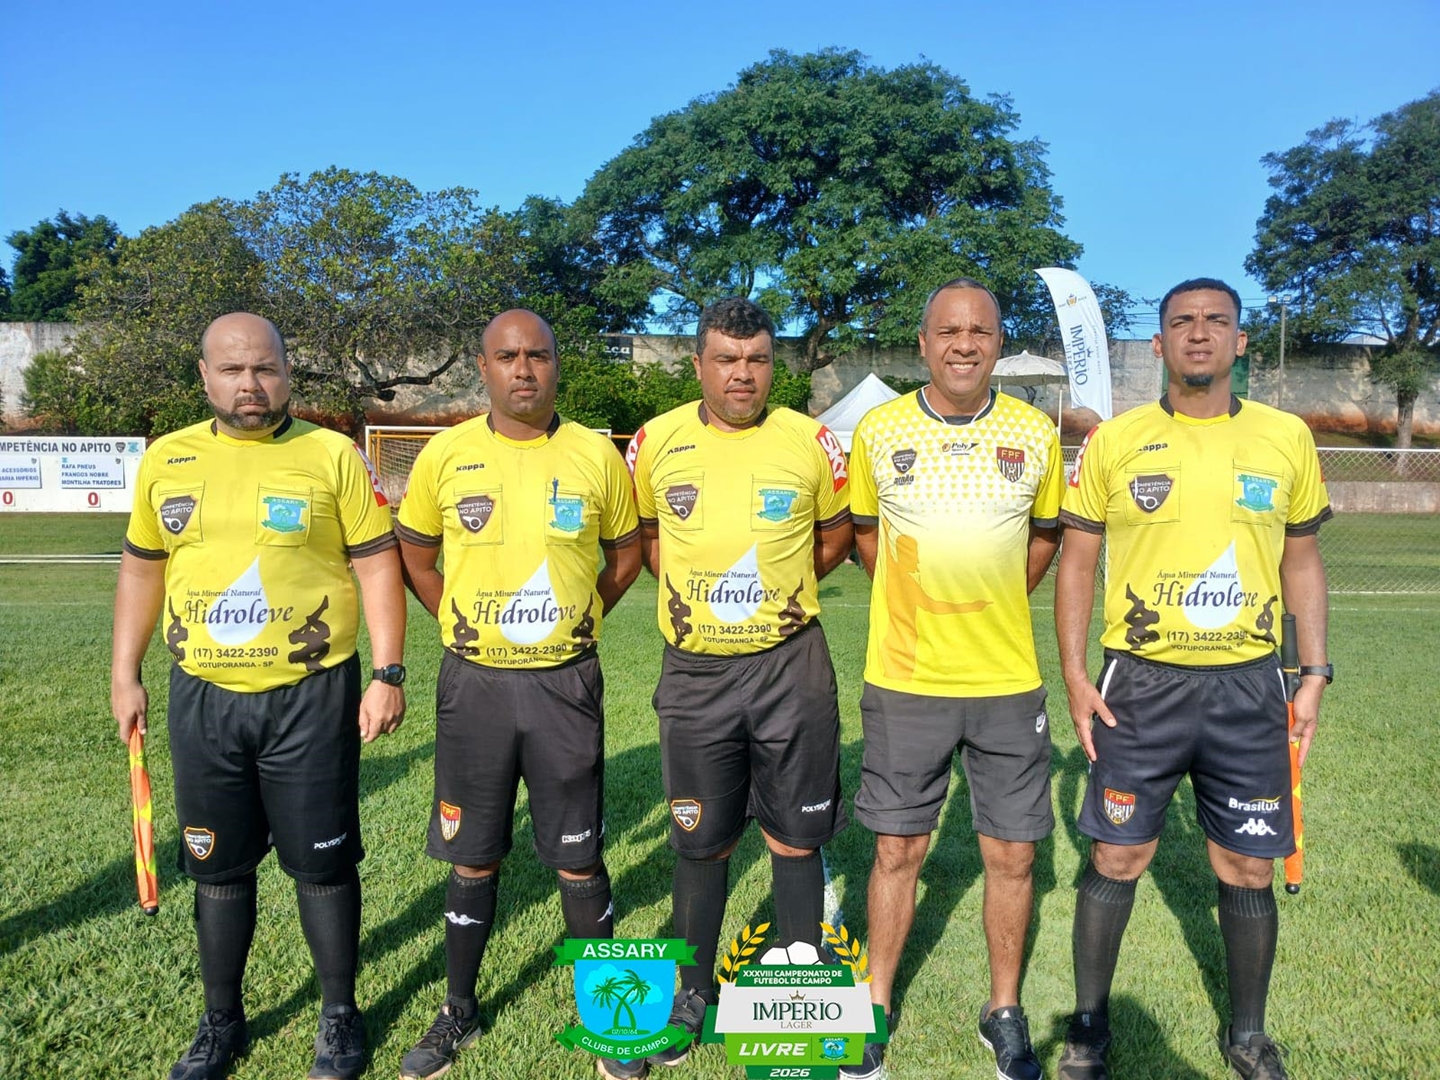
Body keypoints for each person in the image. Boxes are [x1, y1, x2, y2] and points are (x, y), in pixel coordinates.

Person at [112, 312, 407, 1080]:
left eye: (266, 368)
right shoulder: (167, 459)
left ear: (287, 373)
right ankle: (221, 1022)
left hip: (311, 694)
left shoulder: (332, 455)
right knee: (217, 867)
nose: (252, 384)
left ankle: (339, 1015)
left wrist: (387, 674)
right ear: (205, 376)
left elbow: (378, 564)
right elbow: (142, 568)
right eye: (234, 369)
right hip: (203, 697)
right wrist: (124, 672)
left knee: (322, 865)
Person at [1055, 279, 1331, 1080]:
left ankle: (1248, 1035)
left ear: (1241, 341)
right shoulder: (1116, 441)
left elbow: (1302, 562)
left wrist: (1313, 672)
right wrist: (1074, 674)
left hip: (1249, 686)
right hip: (1140, 686)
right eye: (1182, 322)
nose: (1199, 334)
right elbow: (1077, 562)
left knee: (1246, 866)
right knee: (1117, 857)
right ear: (1159, 344)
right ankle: (1088, 1029)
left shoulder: (1286, 438)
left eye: (1216, 322)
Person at [394, 309, 643, 1080]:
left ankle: (608, 1020)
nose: (524, 369)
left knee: (579, 858)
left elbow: (626, 554)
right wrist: (457, 621)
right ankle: (458, 1011)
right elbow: (415, 554)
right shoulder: (445, 455)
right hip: (475, 686)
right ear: (484, 366)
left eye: (538, 355)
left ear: (557, 364)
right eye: (507, 356)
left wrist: (582, 614)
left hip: (565, 682)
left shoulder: (596, 456)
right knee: (472, 858)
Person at [625, 297, 853, 1068]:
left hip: (791, 667)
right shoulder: (655, 441)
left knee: (795, 835)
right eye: (726, 359)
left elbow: (834, 537)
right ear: (698, 365)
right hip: (695, 674)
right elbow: (650, 539)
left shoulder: (812, 441)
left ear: (773, 365)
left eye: (757, 359)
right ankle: (693, 995)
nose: (742, 374)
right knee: (702, 839)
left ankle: (797, 993)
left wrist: (772, 596)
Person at [843, 279, 1062, 1080]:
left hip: (1006, 681)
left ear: (998, 342)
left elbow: (1044, 540)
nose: (964, 344)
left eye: (980, 331)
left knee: (1013, 856)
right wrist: (918, 607)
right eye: (948, 330)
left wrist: (990, 601)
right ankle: (873, 1005)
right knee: (897, 848)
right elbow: (867, 538)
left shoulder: (1035, 433)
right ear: (924, 342)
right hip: (906, 680)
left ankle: (1003, 1010)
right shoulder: (879, 431)